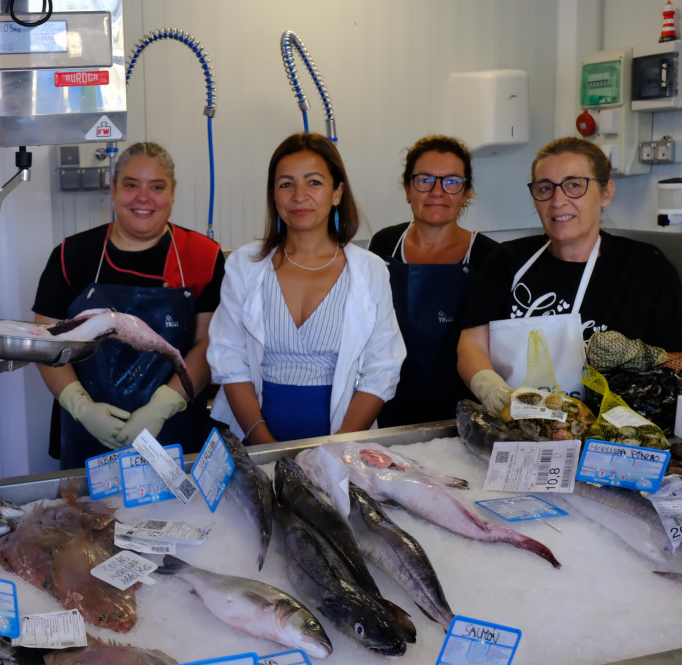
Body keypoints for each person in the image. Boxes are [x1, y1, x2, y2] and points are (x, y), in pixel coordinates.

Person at [458, 136, 682, 412]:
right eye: (545, 188)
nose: (558, 200)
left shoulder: (645, 265)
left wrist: (636, 377)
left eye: (574, 185)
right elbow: (472, 344)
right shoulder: (506, 261)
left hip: (607, 437)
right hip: (515, 424)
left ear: (606, 193)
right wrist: (490, 387)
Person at [33, 142, 225, 469]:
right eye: (131, 185)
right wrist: (80, 407)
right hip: (88, 434)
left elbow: (209, 343)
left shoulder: (202, 256)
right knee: (87, 519)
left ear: (173, 192)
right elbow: (44, 340)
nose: (143, 197)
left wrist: (164, 405)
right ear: (113, 189)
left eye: (157, 187)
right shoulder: (71, 256)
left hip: (174, 432)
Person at [208, 133, 405, 444]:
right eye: (286, 184)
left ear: (337, 193)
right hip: (254, 433)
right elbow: (228, 358)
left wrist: (336, 448)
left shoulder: (370, 271)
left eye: (314, 182)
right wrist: (263, 444)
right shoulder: (244, 265)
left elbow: (383, 367)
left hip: (343, 439)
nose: (299, 195)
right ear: (273, 195)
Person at [369, 136, 498, 426]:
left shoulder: (490, 255)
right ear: (407, 189)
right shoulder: (384, 243)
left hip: (465, 414)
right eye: (425, 180)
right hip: (389, 404)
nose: (437, 191)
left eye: (451, 181)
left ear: (466, 193)